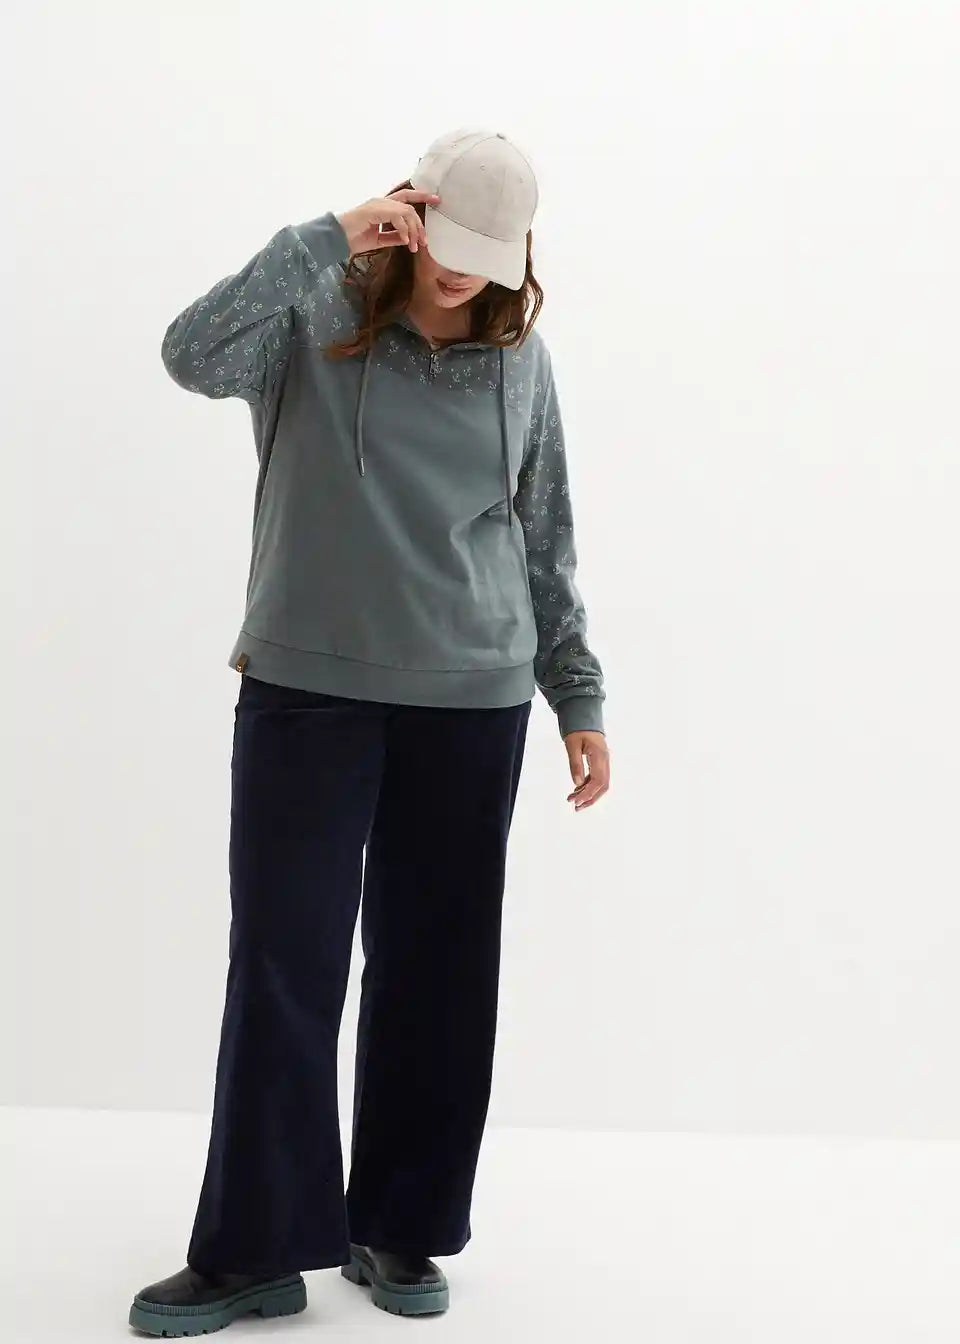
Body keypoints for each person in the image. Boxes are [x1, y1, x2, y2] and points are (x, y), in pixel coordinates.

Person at [129, 126, 610, 1336]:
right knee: (282, 961)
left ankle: (399, 1224)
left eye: (490, 257)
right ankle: (252, 1251)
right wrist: (322, 237)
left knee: (438, 970)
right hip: (309, 684)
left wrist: (577, 695)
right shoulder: (311, 313)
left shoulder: (521, 359)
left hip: (476, 697)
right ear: (411, 212)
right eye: (449, 243)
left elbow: (543, 531)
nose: (462, 274)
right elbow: (188, 354)